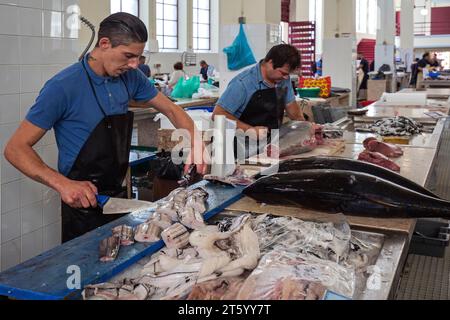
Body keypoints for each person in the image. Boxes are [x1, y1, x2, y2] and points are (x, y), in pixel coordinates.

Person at [4, 13, 207, 243]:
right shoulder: (62, 87)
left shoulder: (131, 78)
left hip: (119, 194)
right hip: (83, 203)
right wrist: (63, 184)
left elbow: (171, 109)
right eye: (128, 56)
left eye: (138, 58)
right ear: (104, 44)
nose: (133, 65)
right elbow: (15, 148)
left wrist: (197, 143)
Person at [213, 44, 306, 158]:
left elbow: (293, 109)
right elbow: (218, 114)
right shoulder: (242, 84)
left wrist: (306, 127)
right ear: (270, 63)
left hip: (270, 146)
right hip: (240, 148)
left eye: (288, 74)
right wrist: (250, 130)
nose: (286, 78)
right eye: (283, 73)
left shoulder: (283, 79)